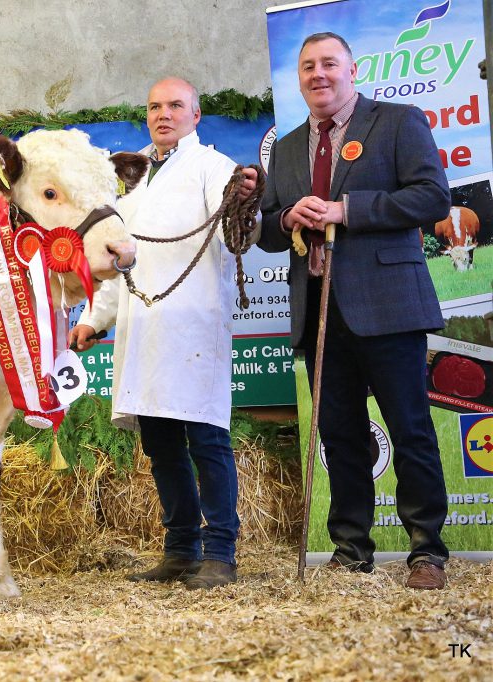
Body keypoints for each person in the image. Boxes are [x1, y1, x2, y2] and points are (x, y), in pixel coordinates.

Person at [258, 32, 451, 589]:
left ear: (352, 70)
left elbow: (432, 197)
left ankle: (426, 552)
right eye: (308, 66)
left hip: (388, 307)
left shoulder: (396, 121)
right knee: (340, 436)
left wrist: (347, 209)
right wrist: (287, 218)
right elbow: (270, 231)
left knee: (409, 429)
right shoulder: (291, 145)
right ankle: (350, 550)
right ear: (299, 78)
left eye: (329, 64)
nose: (318, 74)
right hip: (318, 309)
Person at [70, 77, 258, 590]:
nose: (164, 114)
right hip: (143, 329)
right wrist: (93, 318)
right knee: (161, 445)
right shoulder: (134, 179)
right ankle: (180, 551)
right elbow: (116, 259)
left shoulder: (214, 168)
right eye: (155, 106)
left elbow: (240, 231)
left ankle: (220, 553)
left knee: (206, 439)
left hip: (193, 328)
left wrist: (245, 204)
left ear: (196, 116)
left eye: (176, 105)